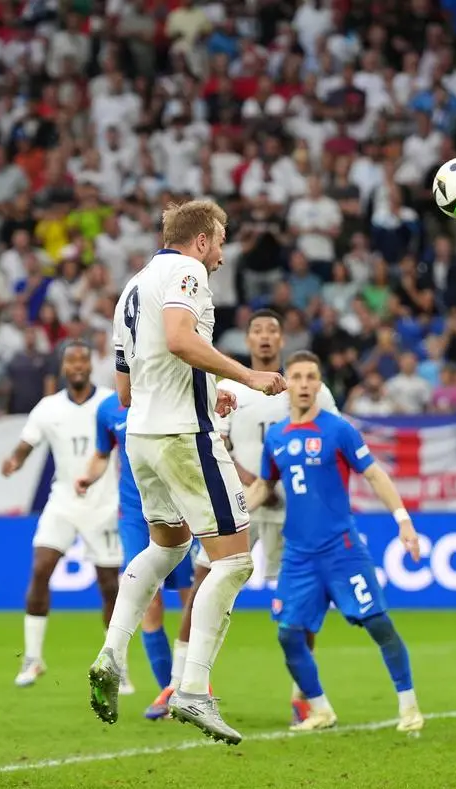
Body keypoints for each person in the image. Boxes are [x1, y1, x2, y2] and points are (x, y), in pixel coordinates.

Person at [87, 199, 286, 744]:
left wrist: (207, 386)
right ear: (200, 240)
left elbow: (127, 387)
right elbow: (178, 337)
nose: (221, 253)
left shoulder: (134, 286)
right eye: (219, 240)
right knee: (236, 560)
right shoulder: (187, 271)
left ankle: (111, 653)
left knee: (168, 548)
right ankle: (192, 690)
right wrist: (246, 375)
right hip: (183, 437)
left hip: (142, 439)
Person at [172, 308, 340, 725]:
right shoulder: (231, 388)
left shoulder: (307, 388)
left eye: (273, 331)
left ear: (282, 341)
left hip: (295, 511)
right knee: (203, 583)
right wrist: (257, 479)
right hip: (240, 503)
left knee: (303, 600)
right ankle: (179, 686)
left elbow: (331, 437)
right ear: (248, 341)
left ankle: (304, 696)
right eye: (258, 331)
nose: (265, 337)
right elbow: (216, 443)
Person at [247, 350, 425, 733]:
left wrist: (403, 521)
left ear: (321, 384)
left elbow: (375, 475)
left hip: (340, 550)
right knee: (288, 633)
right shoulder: (276, 437)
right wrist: (232, 515)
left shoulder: (338, 429)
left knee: (377, 623)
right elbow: (264, 485)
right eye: (297, 377)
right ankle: (320, 709)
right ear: (286, 385)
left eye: (312, 377)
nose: (305, 384)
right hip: (298, 554)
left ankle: (409, 706)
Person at [1, 341, 122, 689]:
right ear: (63, 367)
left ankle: (116, 664)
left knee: (110, 586)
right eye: (71, 360)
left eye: (83, 359)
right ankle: (33, 658)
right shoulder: (47, 408)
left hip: (104, 503)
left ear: (90, 365)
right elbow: (27, 445)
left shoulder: (109, 402)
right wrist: (13, 461)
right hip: (63, 500)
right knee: (40, 568)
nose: (78, 365)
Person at [76, 390, 198, 719]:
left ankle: (193, 683)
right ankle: (168, 693)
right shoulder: (107, 409)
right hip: (134, 516)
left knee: (193, 601)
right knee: (150, 601)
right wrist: (89, 476)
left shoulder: (170, 394)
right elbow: (103, 453)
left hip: (181, 509)